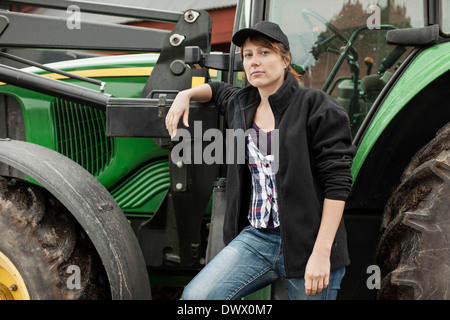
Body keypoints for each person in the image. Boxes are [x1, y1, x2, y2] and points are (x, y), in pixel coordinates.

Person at [165, 21, 356, 300]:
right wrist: (185, 94)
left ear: (285, 59)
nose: (255, 61)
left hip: (309, 243)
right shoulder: (241, 103)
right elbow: (218, 91)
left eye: (265, 53)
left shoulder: (317, 107)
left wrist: (321, 253)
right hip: (258, 239)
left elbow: (337, 185)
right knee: (197, 298)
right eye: (248, 55)